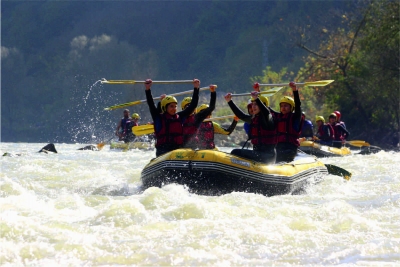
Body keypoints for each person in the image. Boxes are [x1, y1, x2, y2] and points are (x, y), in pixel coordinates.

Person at [145, 78, 200, 157]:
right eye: (171, 106)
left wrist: (196, 88)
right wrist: (148, 89)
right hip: (163, 152)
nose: (174, 109)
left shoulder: (180, 117)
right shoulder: (158, 118)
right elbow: (151, 104)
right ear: (165, 107)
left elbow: (193, 105)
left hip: (177, 151)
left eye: (175, 106)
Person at [224, 92, 276, 164]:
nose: (253, 107)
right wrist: (229, 101)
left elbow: (266, 112)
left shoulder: (269, 119)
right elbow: (241, 115)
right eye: (253, 104)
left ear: (263, 105)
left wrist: (257, 99)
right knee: (235, 152)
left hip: (268, 156)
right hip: (258, 153)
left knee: (235, 152)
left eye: (256, 104)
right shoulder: (254, 119)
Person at [271, 82, 304, 162]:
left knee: (277, 155)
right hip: (278, 147)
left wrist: (294, 90)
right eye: (282, 106)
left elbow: (298, 106)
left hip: (290, 149)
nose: (283, 108)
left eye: (286, 106)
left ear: (291, 107)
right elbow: (265, 108)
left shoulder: (295, 117)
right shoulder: (278, 116)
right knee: (271, 153)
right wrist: (258, 95)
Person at [181, 85, 217, 149]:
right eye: (188, 107)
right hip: (181, 148)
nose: (190, 109)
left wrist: (213, 92)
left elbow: (211, 107)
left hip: (194, 148)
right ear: (183, 108)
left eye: (192, 107)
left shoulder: (198, 117)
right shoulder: (179, 117)